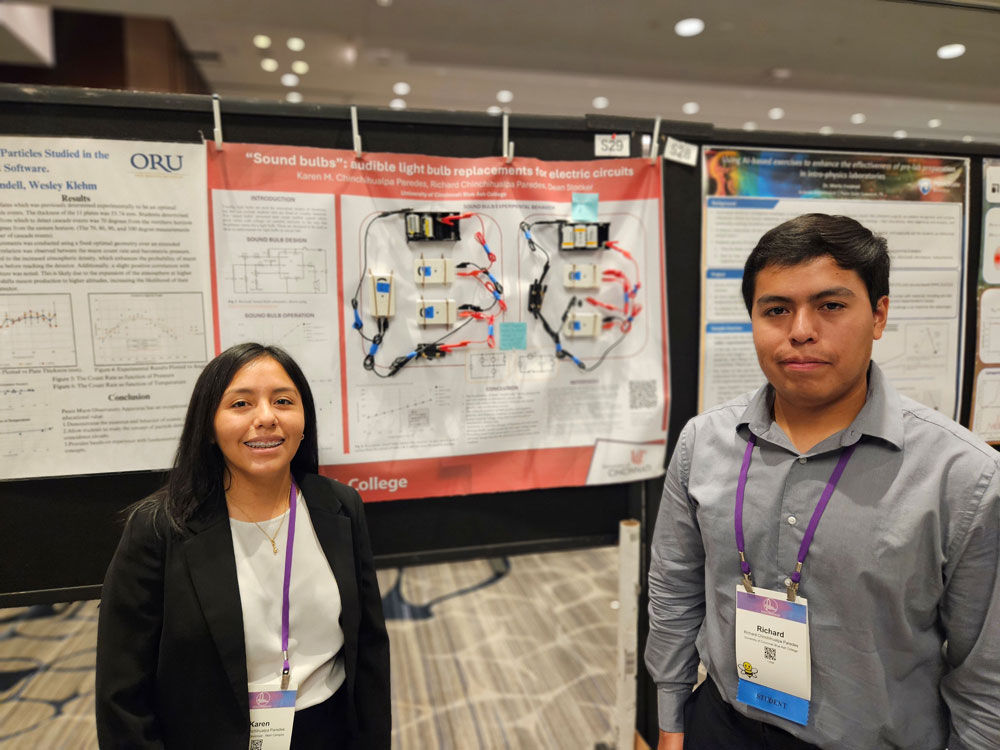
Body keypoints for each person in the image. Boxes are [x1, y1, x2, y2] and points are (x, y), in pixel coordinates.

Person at [645, 214, 1000, 749]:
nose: (801, 330)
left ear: (878, 315)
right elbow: (674, 591)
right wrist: (671, 721)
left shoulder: (962, 476)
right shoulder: (704, 442)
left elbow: (986, 676)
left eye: (831, 306)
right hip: (722, 725)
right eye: (776, 310)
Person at [96, 343, 390, 749]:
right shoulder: (160, 528)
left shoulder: (339, 506)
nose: (266, 418)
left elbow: (370, 648)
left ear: (303, 420)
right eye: (241, 404)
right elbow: (121, 689)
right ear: (210, 427)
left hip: (331, 728)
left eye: (283, 401)